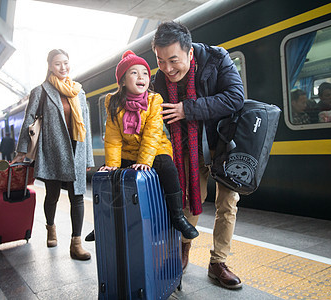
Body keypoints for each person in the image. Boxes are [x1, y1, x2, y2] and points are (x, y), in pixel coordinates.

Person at [151, 21, 244, 289]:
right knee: (191, 198)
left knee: (227, 203)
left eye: (173, 60)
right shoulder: (160, 78)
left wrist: (187, 109)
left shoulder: (217, 59)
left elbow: (235, 97)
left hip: (224, 143)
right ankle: (184, 248)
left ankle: (218, 262)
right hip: (188, 148)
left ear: (190, 53)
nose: (168, 69)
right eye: (160, 61)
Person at [86, 50, 199, 242]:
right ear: (122, 81)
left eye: (145, 73)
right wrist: (112, 164)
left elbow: (152, 133)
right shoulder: (112, 102)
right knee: (109, 177)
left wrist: (145, 161)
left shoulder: (154, 100)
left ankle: (178, 216)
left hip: (155, 148)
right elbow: (113, 137)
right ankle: (104, 222)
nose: (141, 77)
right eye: (134, 73)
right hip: (128, 151)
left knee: (168, 168)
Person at [12, 49, 94, 260]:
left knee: (77, 198)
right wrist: (21, 152)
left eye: (65, 63)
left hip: (76, 150)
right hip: (52, 151)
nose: (63, 67)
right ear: (50, 66)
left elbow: (87, 124)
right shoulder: (41, 91)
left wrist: (88, 158)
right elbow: (28, 121)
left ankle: (76, 244)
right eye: (58, 64)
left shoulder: (78, 91)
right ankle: (51, 227)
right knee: (53, 195)